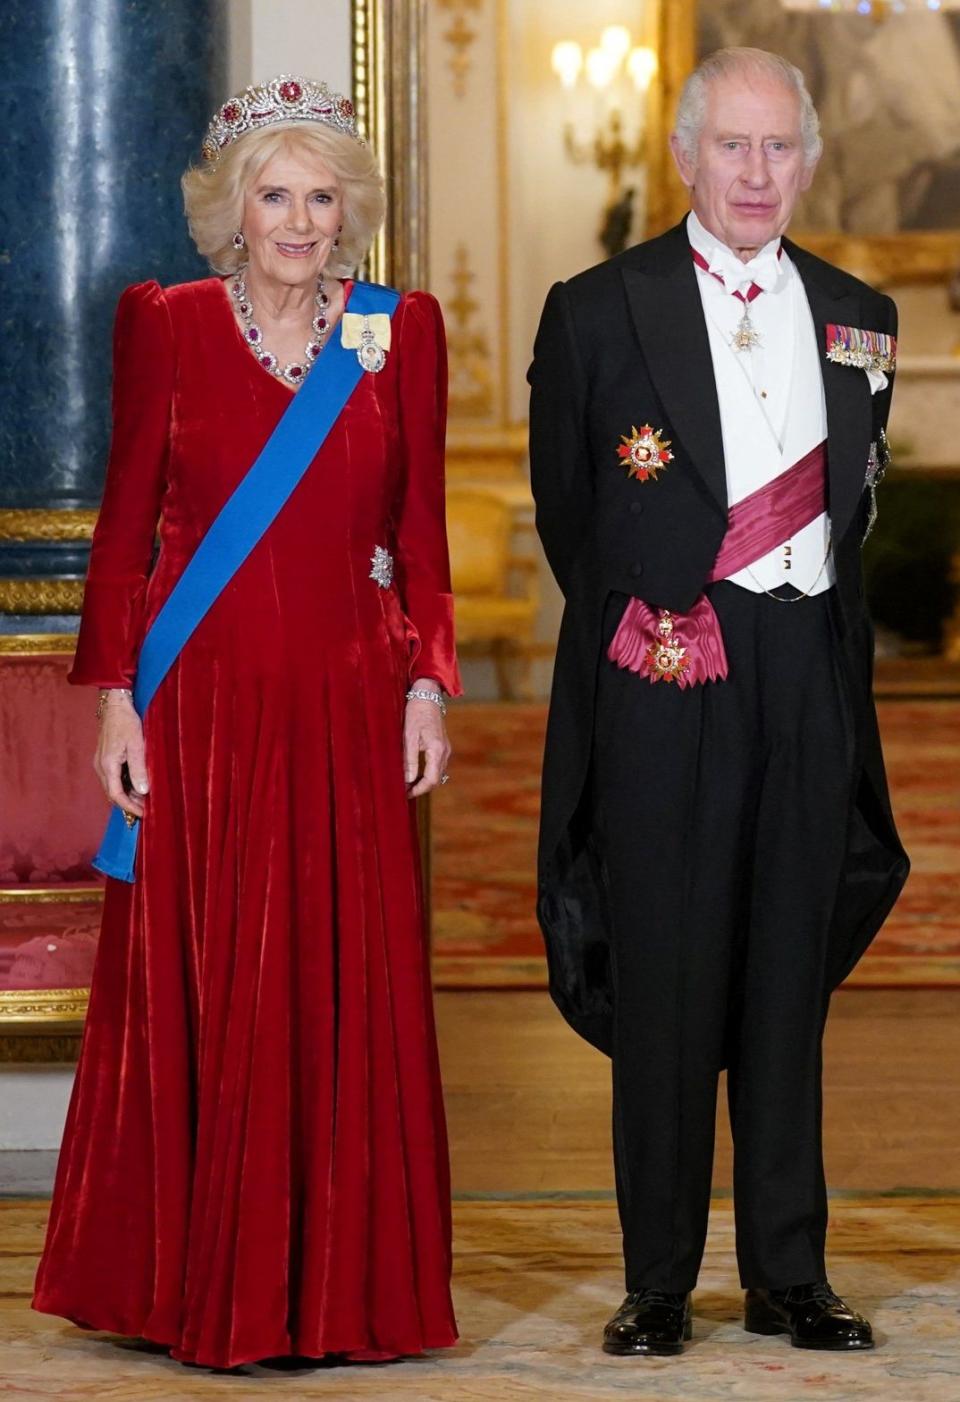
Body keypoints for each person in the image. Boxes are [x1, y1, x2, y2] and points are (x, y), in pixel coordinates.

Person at [32, 76, 461, 1370]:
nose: (300, 220)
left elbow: (420, 532)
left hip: (345, 707)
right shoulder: (166, 323)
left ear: (350, 210)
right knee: (208, 982)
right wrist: (113, 696)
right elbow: (122, 534)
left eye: (323, 195)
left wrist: (429, 679)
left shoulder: (399, 330)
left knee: (341, 984)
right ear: (231, 209)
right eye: (275, 194)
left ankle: (336, 1288)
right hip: (200, 714)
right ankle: (194, 1282)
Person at [528, 48, 907, 1357]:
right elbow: (573, 520)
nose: (756, 174)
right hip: (670, 669)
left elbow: (857, 513)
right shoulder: (597, 309)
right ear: (684, 156)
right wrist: (658, 615)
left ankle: (790, 1272)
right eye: (732, 147)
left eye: (779, 149)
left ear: (807, 157)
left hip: (808, 672)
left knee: (787, 979)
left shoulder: (865, 314)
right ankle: (661, 1280)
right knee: (672, 971)